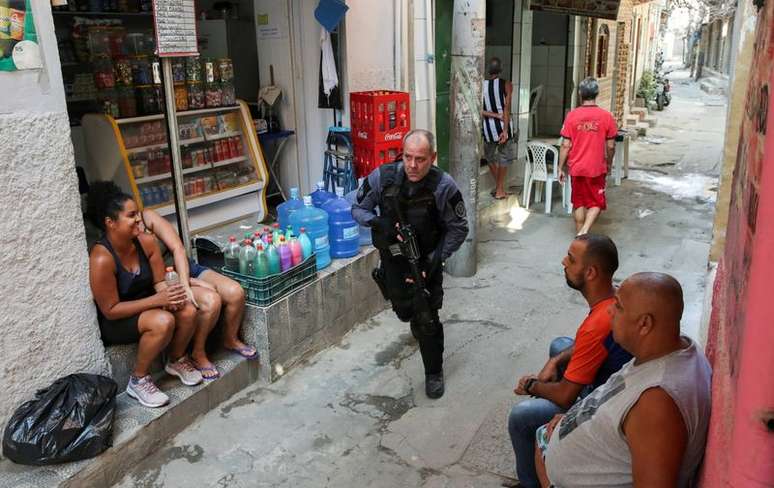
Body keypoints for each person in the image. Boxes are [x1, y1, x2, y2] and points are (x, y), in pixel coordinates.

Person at [535, 273, 712, 488]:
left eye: (618, 306)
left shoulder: (657, 404)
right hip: (572, 439)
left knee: (523, 417)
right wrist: (573, 419)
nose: (609, 311)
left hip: (562, 478)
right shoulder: (673, 347)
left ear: (644, 324)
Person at [505, 234, 632, 488]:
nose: (564, 262)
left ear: (591, 272)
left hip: (602, 404)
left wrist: (531, 385)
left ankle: (530, 483)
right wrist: (555, 361)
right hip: (609, 376)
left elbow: (563, 396)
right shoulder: (613, 298)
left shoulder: (597, 324)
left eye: (571, 260)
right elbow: (589, 343)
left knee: (521, 416)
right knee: (560, 345)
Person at [352, 129, 469, 399]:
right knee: (404, 311)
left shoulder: (443, 186)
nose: (413, 166)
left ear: (433, 158)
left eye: (420, 159)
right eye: (408, 157)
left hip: (427, 259)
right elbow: (357, 208)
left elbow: (459, 228)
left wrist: (437, 258)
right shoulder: (383, 177)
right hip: (393, 259)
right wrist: (377, 222)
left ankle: (433, 372)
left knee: (428, 318)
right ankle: (407, 310)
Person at [87, 182, 204, 407]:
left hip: (149, 305)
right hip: (118, 319)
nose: (139, 220)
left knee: (188, 309)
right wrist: (158, 301)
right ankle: (138, 380)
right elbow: (110, 311)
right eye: (131, 216)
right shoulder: (101, 258)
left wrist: (170, 297)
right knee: (163, 321)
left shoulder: (146, 242)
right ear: (110, 223)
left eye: (138, 215)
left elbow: (159, 282)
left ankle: (176, 359)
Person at [140, 208, 256, 380]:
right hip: (168, 282)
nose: (136, 218)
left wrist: (187, 282)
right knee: (211, 300)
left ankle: (230, 338)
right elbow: (152, 280)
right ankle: (198, 352)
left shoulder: (146, 216)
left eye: (135, 213)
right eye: (130, 215)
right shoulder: (122, 242)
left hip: (187, 269)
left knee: (235, 292)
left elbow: (178, 248)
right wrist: (190, 283)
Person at [557, 78, 618, 235]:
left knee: (578, 203)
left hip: (576, 168)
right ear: (597, 94)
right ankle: (583, 232)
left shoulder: (572, 116)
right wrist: (609, 163)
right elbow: (611, 146)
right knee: (596, 203)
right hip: (596, 168)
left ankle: (580, 243)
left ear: (580, 94)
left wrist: (560, 167)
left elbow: (565, 145)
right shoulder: (607, 117)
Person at [481, 57, 517, 200]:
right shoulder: (507, 84)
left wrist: (493, 115)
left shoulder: (481, 86)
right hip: (504, 127)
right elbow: (506, 108)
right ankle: (500, 189)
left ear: (488, 70)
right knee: (503, 158)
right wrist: (505, 130)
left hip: (488, 129)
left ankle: (499, 187)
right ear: (501, 70)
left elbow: (478, 110)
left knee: (490, 158)